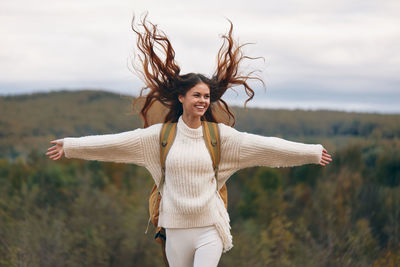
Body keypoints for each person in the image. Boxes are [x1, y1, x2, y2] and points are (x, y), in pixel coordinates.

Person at [46, 13, 332, 267]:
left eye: (206, 96)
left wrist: (310, 152)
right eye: (197, 95)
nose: (203, 101)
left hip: (210, 227)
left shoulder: (219, 138)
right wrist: (70, 146)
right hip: (175, 229)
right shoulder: (160, 137)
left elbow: (266, 147)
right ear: (181, 97)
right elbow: (115, 144)